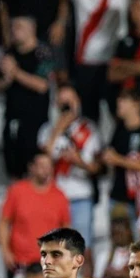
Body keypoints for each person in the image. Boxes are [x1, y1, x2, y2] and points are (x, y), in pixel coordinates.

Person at [0, 15, 55, 180]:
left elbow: (42, 85)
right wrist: (6, 79)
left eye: (19, 26)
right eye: (12, 26)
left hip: (35, 122)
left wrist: (15, 73)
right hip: (12, 118)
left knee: (33, 168)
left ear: (31, 29)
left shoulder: (42, 53)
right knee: (13, 168)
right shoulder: (9, 54)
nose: (14, 31)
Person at [38, 85, 102, 248]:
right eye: (63, 103)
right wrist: (58, 129)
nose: (66, 107)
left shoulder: (89, 129)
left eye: (70, 102)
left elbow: (97, 168)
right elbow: (42, 162)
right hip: (54, 195)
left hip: (80, 195)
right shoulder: (46, 130)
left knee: (81, 247)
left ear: (77, 102)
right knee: (54, 248)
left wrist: (77, 161)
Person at [0, 154, 71, 278]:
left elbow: (66, 229)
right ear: (31, 167)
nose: (45, 170)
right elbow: (3, 223)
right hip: (20, 262)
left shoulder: (59, 195)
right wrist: (5, 251)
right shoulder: (17, 191)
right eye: (41, 166)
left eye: (49, 166)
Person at [66, 0, 131, 121]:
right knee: (89, 114)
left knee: (118, 110)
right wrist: (61, 18)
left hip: (113, 62)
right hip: (86, 61)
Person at [103, 89, 140, 220]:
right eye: (119, 99)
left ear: (137, 104)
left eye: (124, 99)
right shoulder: (119, 130)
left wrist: (117, 159)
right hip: (119, 195)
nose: (119, 102)